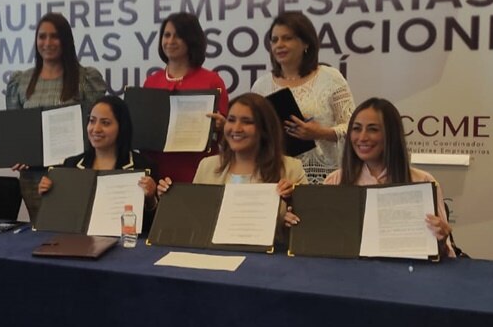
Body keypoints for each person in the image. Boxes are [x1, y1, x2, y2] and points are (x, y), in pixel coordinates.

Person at [290, 97, 455, 255]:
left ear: (391, 135)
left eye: (373, 129)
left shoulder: (423, 182)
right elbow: (321, 243)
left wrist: (441, 239)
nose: (362, 138)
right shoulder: (335, 181)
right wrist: (298, 223)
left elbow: (443, 254)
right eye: (356, 129)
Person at [4, 13, 107, 221]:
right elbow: (16, 131)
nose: (47, 43)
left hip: (74, 175)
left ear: (66, 41)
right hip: (32, 177)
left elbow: (97, 126)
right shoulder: (21, 81)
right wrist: (17, 154)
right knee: (39, 235)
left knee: (75, 233)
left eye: (55, 36)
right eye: (42, 37)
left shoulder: (85, 78)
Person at [248, 11, 354, 183]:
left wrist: (321, 133)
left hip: (327, 177)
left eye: (287, 38)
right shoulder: (261, 86)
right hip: (279, 177)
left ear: (306, 42)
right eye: (274, 40)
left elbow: (352, 129)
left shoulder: (331, 78)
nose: (279, 45)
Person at [159, 94, 306, 217]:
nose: (236, 128)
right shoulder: (207, 166)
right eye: (231, 120)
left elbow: (307, 224)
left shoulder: (291, 169)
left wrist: (293, 203)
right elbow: (193, 219)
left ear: (265, 129)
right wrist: (170, 199)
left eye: (247, 122)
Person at [39, 95, 158, 224]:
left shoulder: (142, 166)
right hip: (79, 241)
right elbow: (60, 217)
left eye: (105, 123)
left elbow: (150, 225)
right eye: (92, 121)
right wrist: (49, 195)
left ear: (121, 127)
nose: (96, 129)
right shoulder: (71, 165)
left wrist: (151, 199)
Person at [141, 12, 230, 183]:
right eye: (166, 35)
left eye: (178, 36)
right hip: (156, 171)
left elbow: (227, 134)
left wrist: (221, 126)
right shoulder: (151, 81)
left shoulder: (212, 81)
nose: (170, 41)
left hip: (198, 171)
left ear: (191, 39)